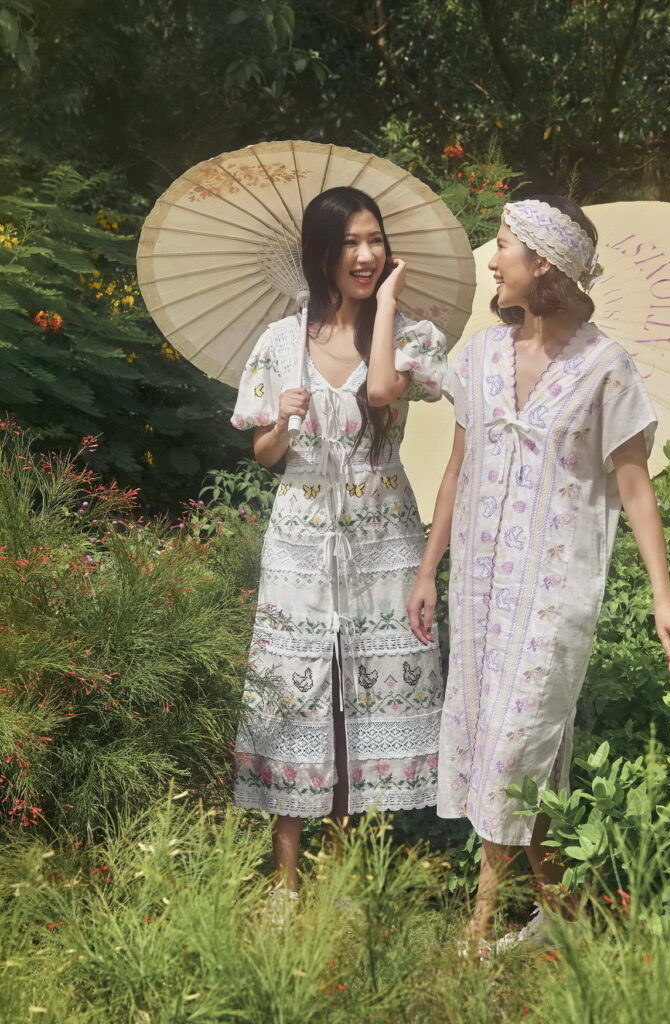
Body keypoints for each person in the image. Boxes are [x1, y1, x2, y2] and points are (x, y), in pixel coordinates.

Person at [407, 195, 670, 946]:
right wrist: (428, 570)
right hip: (479, 588)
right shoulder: (478, 356)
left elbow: (634, 485)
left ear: (543, 264)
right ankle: (561, 916)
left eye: (503, 244)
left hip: (554, 589)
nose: (492, 259)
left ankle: (478, 929)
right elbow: (455, 471)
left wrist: (664, 597)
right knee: (514, 746)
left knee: (514, 742)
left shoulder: (604, 367)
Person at [231, 186, 447, 906]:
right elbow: (265, 456)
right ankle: (287, 885)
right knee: (299, 692)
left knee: (362, 694)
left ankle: (347, 876)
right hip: (299, 544)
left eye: (374, 240)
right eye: (350, 242)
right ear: (322, 253)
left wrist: (385, 305)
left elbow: (383, 393)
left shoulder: (409, 336)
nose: (366, 254)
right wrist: (281, 423)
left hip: (383, 538)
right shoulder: (279, 342)